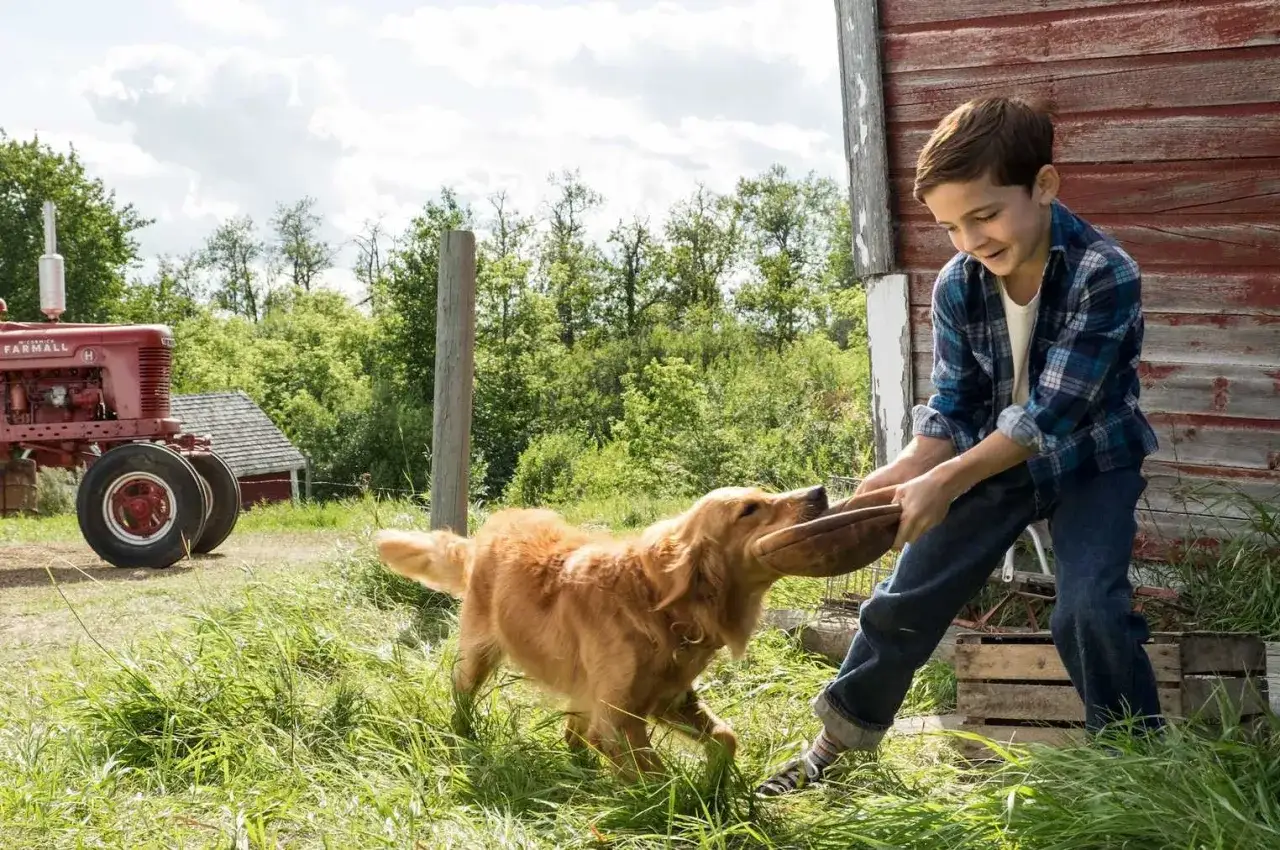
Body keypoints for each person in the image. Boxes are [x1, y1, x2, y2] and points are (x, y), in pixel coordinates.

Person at [757, 96, 1164, 796]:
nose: (971, 239)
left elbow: (1049, 417)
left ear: (1043, 186)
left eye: (984, 215)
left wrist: (944, 483)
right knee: (903, 598)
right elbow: (952, 406)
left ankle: (1134, 766)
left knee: (1090, 608)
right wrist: (907, 471)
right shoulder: (957, 284)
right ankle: (838, 747)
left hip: (1093, 459)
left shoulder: (1105, 272)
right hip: (995, 462)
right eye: (950, 225)